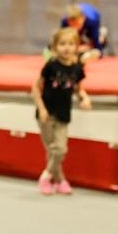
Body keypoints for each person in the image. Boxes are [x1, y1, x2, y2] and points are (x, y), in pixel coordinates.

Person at [30, 27, 93, 196]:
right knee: (53, 150)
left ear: (77, 47)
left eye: (71, 44)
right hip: (46, 113)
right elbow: (35, 88)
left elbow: (78, 89)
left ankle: (47, 176)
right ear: (55, 47)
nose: (67, 48)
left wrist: (84, 98)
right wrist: (41, 109)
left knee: (60, 149)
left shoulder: (77, 69)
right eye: (62, 44)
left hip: (64, 114)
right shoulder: (51, 66)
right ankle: (60, 180)